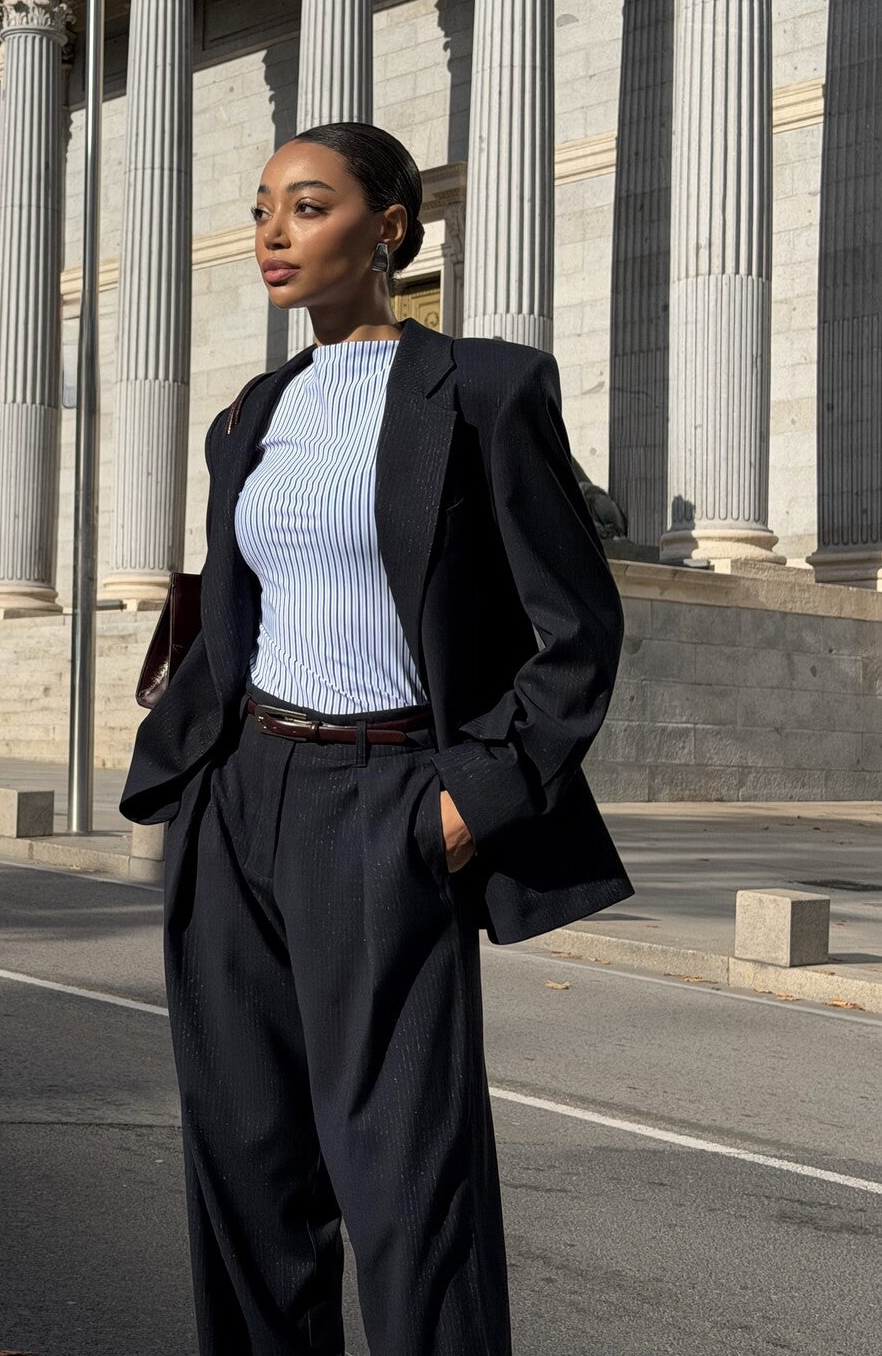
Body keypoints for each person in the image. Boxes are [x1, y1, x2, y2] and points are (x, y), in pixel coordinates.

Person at [120, 121, 633, 1356]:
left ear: (388, 229)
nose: (271, 234)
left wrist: (469, 800)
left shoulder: (486, 391)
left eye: (305, 206)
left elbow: (576, 631)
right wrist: (198, 779)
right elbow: (239, 611)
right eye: (259, 210)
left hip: (389, 800)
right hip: (240, 798)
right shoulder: (248, 414)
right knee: (246, 1170)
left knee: (407, 1181)